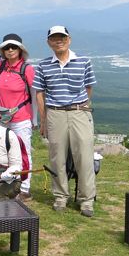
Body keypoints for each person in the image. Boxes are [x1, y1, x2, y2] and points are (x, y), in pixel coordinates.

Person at [33, 25, 97, 217]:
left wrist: (82, 106)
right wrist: (43, 120)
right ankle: (60, 196)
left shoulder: (84, 61)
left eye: (62, 37)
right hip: (55, 114)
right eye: (54, 38)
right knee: (57, 157)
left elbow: (88, 88)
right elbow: (40, 94)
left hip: (79, 112)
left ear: (69, 39)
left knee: (84, 156)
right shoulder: (43, 65)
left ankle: (86, 200)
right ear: (48, 42)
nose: (58, 40)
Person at [0, 33, 37, 202]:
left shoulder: (26, 69)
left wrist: (35, 119)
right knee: (5, 152)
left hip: (22, 118)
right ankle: (9, 184)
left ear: (20, 50)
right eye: (6, 47)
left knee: (23, 152)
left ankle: (25, 188)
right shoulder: (0, 67)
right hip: (2, 117)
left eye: (13, 47)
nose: (10, 50)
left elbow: (35, 95)